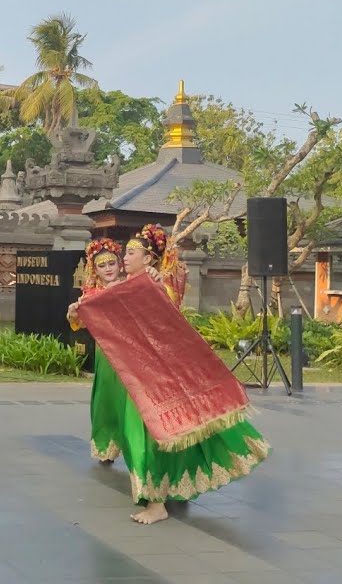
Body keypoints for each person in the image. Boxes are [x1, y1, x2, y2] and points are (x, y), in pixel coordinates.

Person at [107, 224, 269, 524]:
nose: (124, 257)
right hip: (134, 375)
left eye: (132, 253)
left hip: (156, 378)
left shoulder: (155, 285)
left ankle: (157, 504)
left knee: (152, 435)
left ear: (149, 260)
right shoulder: (126, 286)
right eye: (125, 253)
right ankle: (162, 493)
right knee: (141, 436)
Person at [66, 238, 126, 464]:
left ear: (119, 264)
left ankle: (133, 444)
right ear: (95, 269)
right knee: (106, 400)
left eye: (112, 264)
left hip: (131, 353)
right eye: (102, 266)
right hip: (107, 354)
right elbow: (78, 321)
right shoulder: (91, 295)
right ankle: (106, 446)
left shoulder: (130, 286)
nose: (108, 269)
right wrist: (73, 312)